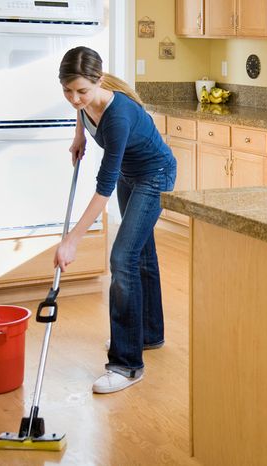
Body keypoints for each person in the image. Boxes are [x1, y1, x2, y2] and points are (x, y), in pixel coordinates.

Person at [54, 46, 176, 394]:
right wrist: (79, 135)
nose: (75, 98)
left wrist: (72, 240)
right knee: (140, 254)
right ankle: (149, 333)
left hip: (155, 175)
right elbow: (83, 111)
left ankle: (126, 364)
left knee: (122, 258)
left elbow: (102, 189)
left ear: (99, 82)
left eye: (82, 91)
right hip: (129, 174)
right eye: (67, 90)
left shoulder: (118, 115)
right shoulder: (86, 102)